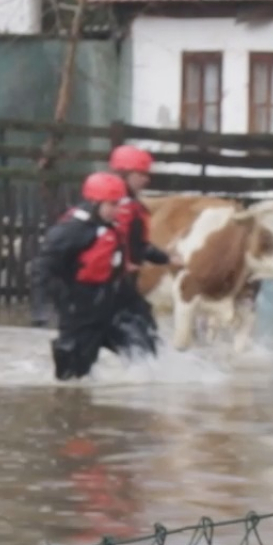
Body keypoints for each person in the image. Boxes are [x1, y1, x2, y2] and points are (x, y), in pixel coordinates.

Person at [35, 172, 146, 381]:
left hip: (106, 307)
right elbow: (42, 268)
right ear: (95, 202)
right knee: (74, 375)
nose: (116, 210)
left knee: (143, 348)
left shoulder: (108, 227)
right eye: (111, 205)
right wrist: (40, 307)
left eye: (117, 204)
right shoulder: (71, 231)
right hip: (78, 310)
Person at [106, 144, 170, 349]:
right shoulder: (119, 206)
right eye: (141, 174)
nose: (146, 179)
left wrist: (167, 258)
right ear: (125, 174)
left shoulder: (130, 204)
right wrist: (124, 265)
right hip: (112, 287)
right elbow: (114, 240)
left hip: (125, 286)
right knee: (139, 340)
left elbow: (138, 245)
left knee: (147, 337)